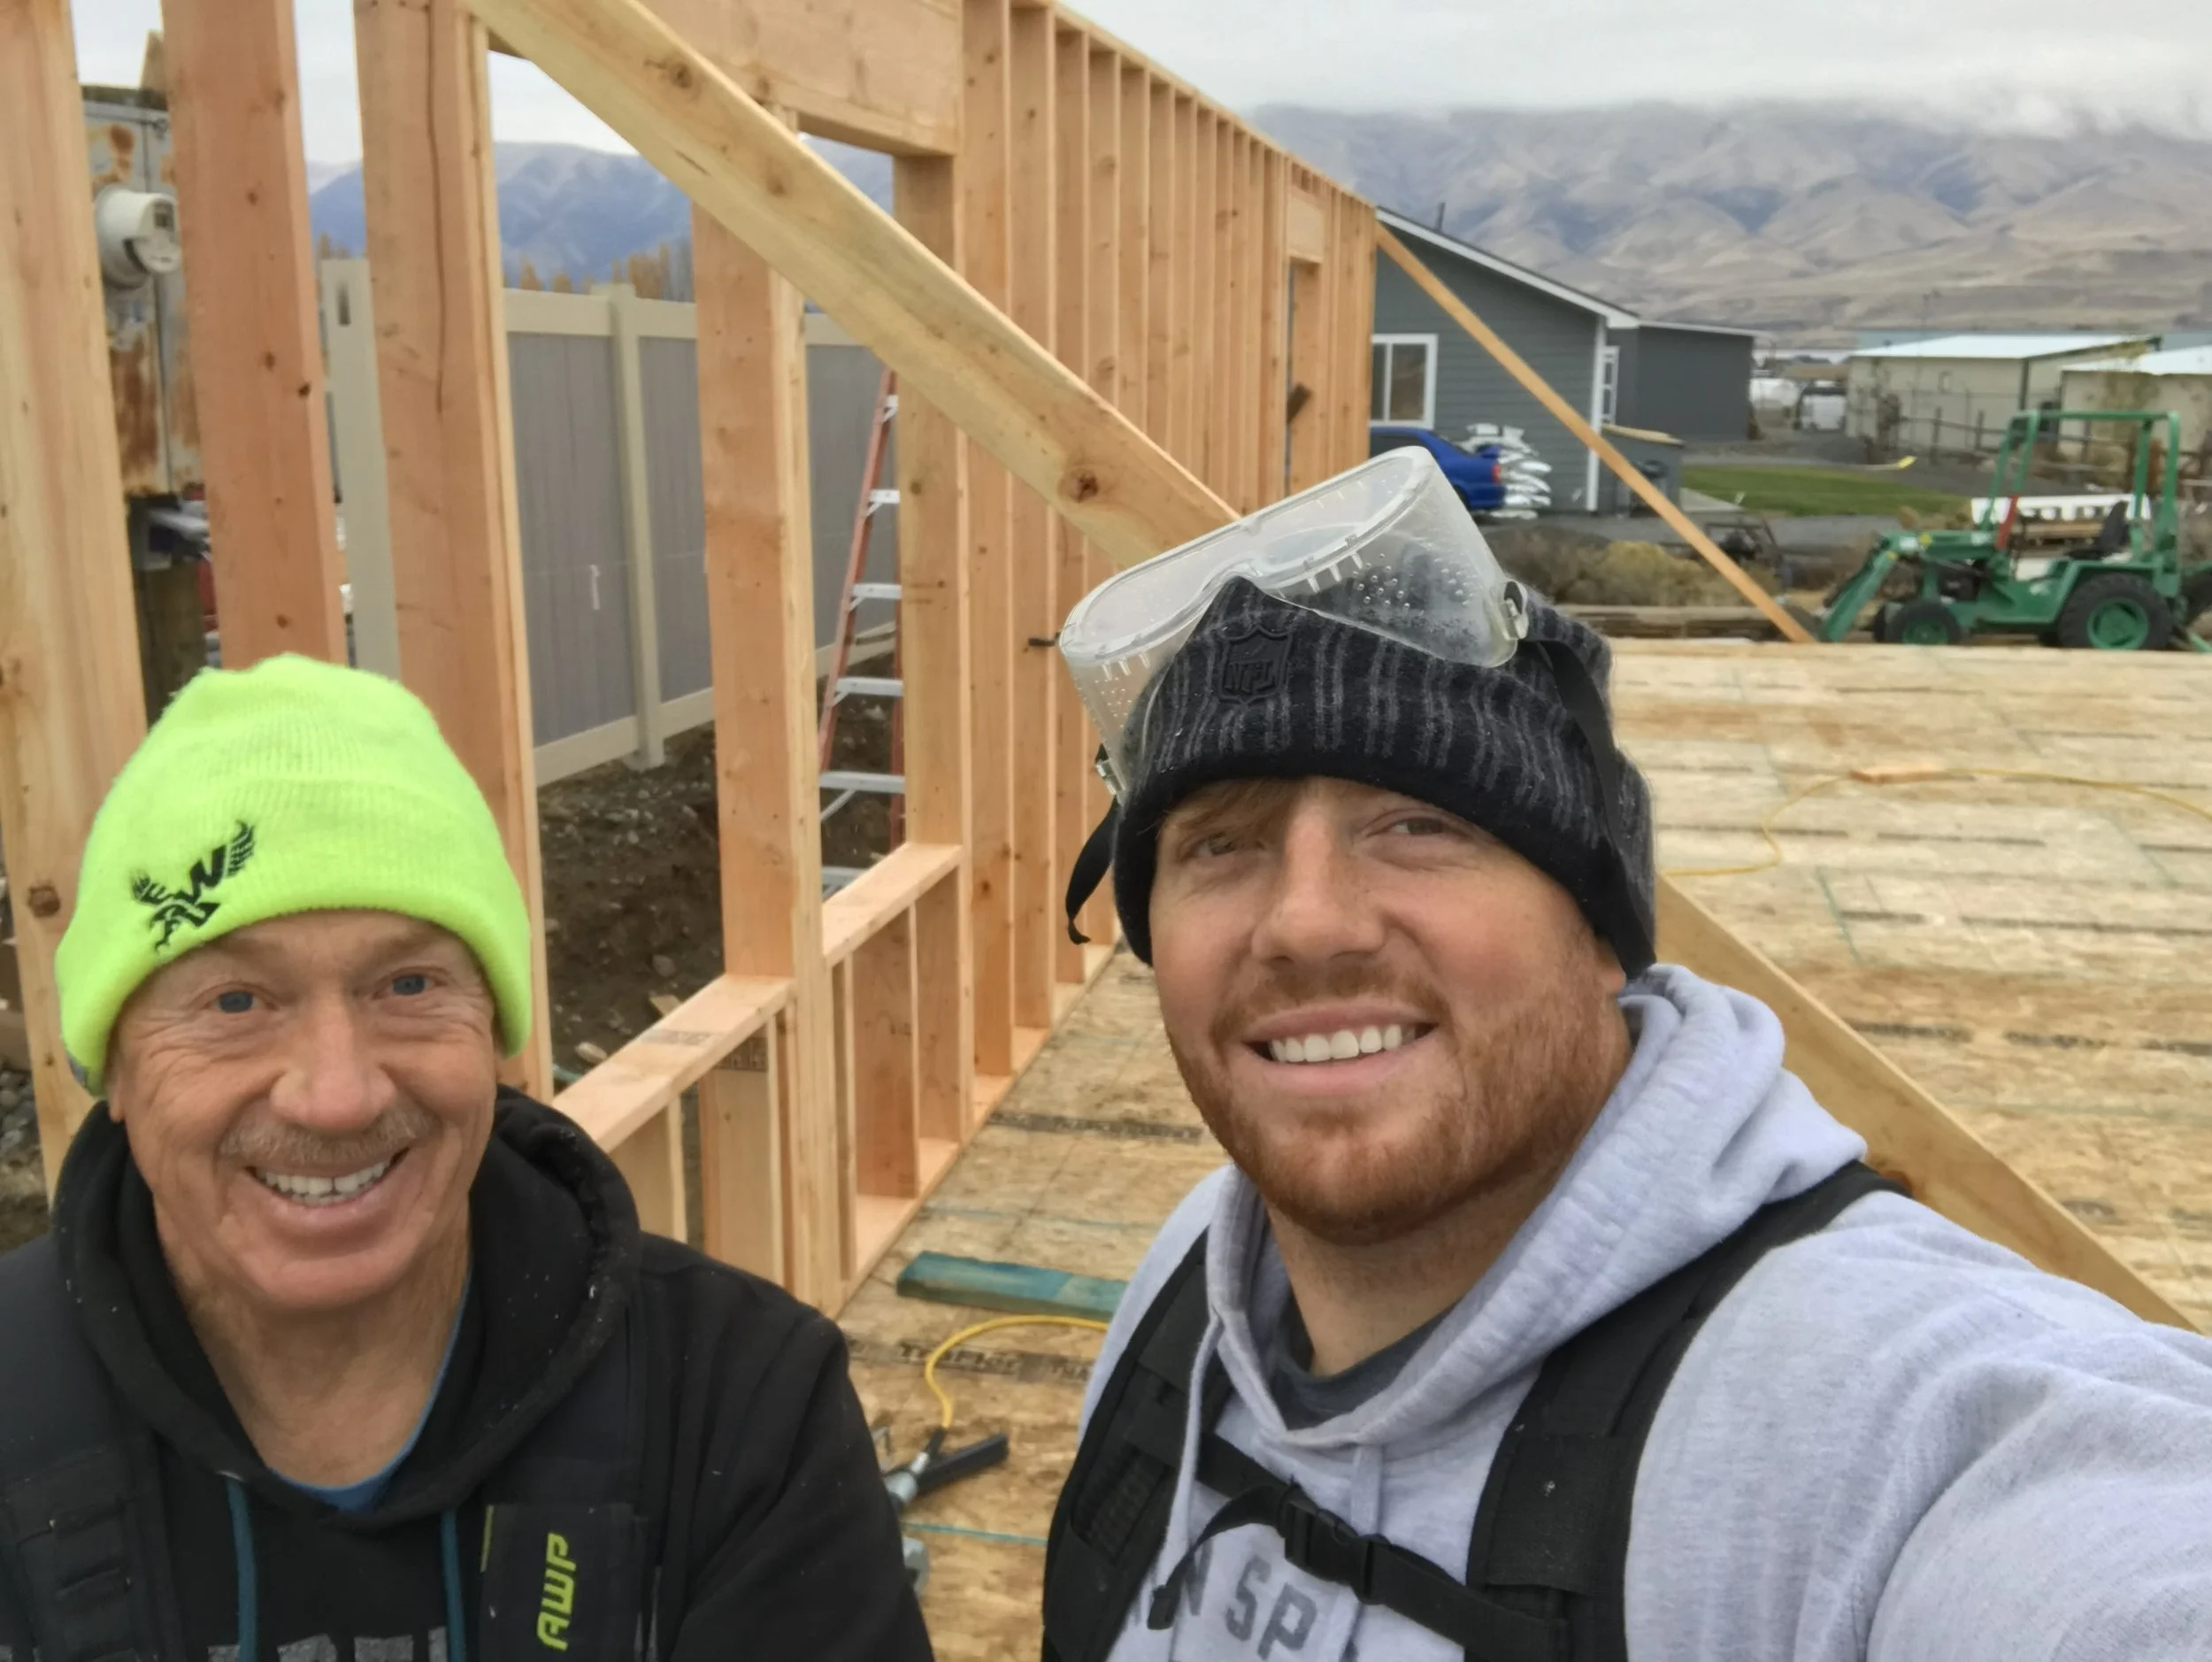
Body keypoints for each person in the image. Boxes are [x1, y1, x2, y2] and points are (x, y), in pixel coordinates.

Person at [1040, 450, 2212, 1662]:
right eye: (1220, 845)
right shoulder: (1193, 1287)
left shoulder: (1885, 1424)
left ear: (1601, 929)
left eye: (1417, 824)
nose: (1305, 922)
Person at [0, 655, 930, 1661]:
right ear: (117, 1068)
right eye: (235, 1003)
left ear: (492, 1032)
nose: (338, 1094)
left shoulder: (738, 1406)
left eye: (407, 985)